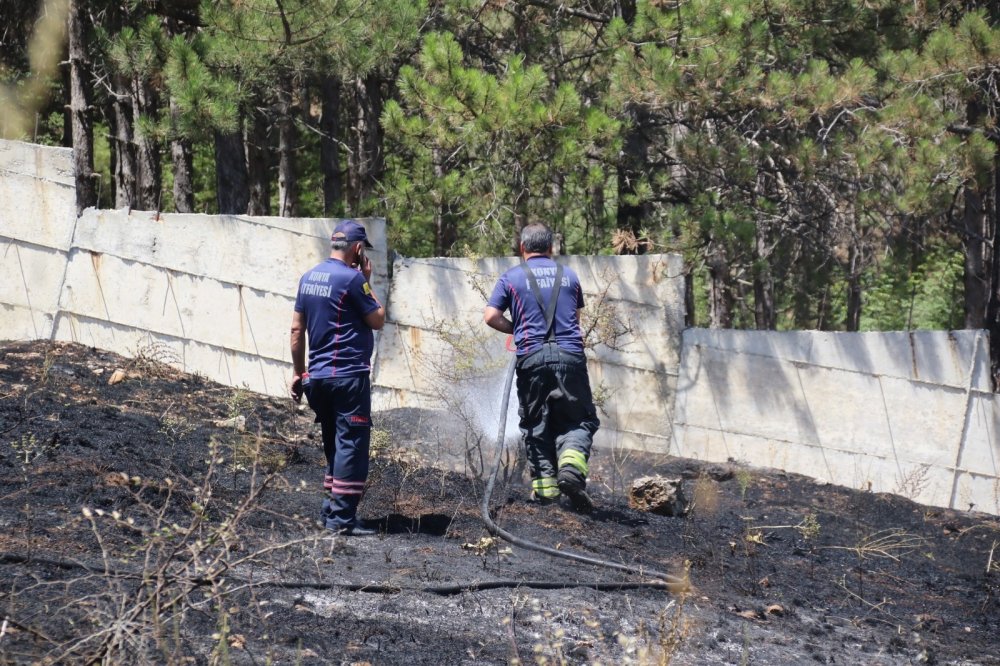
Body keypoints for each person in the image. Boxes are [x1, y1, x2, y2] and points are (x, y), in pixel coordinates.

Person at [483, 223, 600, 512]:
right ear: (551, 248)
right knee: (578, 419)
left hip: (531, 358)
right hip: (570, 356)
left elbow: (490, 316)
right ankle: (571, 469)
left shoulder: (510, 278)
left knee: (536, 423)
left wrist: (518, 331)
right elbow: (574, 320)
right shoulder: (569, 276)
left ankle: (546, 491)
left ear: (522, 248)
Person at [290, 219, 385, 536]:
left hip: (315, 378)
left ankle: (330, 512)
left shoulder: (308, 278)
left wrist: (297, 371)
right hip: (347, 378)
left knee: (334, 444)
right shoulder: (353, 280)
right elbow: (377, 319)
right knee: (352, 446)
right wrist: (367, 281)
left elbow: (295, 331)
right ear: (358, 249)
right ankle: (341, 520)